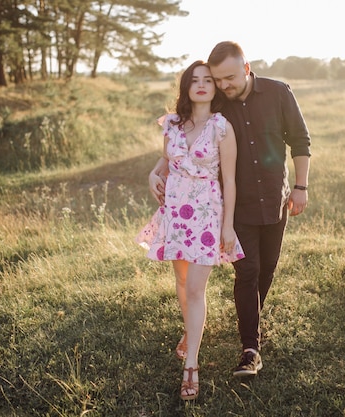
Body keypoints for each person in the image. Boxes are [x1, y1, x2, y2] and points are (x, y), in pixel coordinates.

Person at [149, 41, 312, 378]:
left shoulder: (279, 92)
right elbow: (186, 134)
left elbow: (300, 139)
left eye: (229, 78)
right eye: (217, 79)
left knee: (267, 268)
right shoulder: (219, 105)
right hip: (234, 206)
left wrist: (300, 186)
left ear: (246, 67)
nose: (223, 85)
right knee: (247, 272)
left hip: (275, 197)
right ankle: (250, 348)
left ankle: (251, 319)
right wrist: (158, 169)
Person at [136, 60, 245, 400]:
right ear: (186, 87)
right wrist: (153, 175)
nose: (201, 85)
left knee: (196, 288)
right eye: (194, 80)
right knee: (182, 282)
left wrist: (228, 226)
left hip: (207, 214)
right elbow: (165, 162)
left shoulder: (222, 127)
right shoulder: (171, 123)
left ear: (214, 87)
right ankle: (190, 332)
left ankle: (192, 365)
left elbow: (229, 180)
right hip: (175, 213)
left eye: (207, 80)